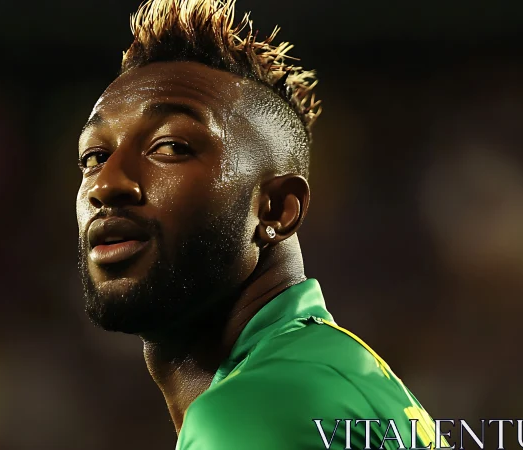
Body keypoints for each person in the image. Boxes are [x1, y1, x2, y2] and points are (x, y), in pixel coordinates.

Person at [76, 0, 444, 448]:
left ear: (276, 210)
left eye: (169, 147)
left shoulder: (254, 411)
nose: (107, 183)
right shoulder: (327, 374)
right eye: (94, 156)